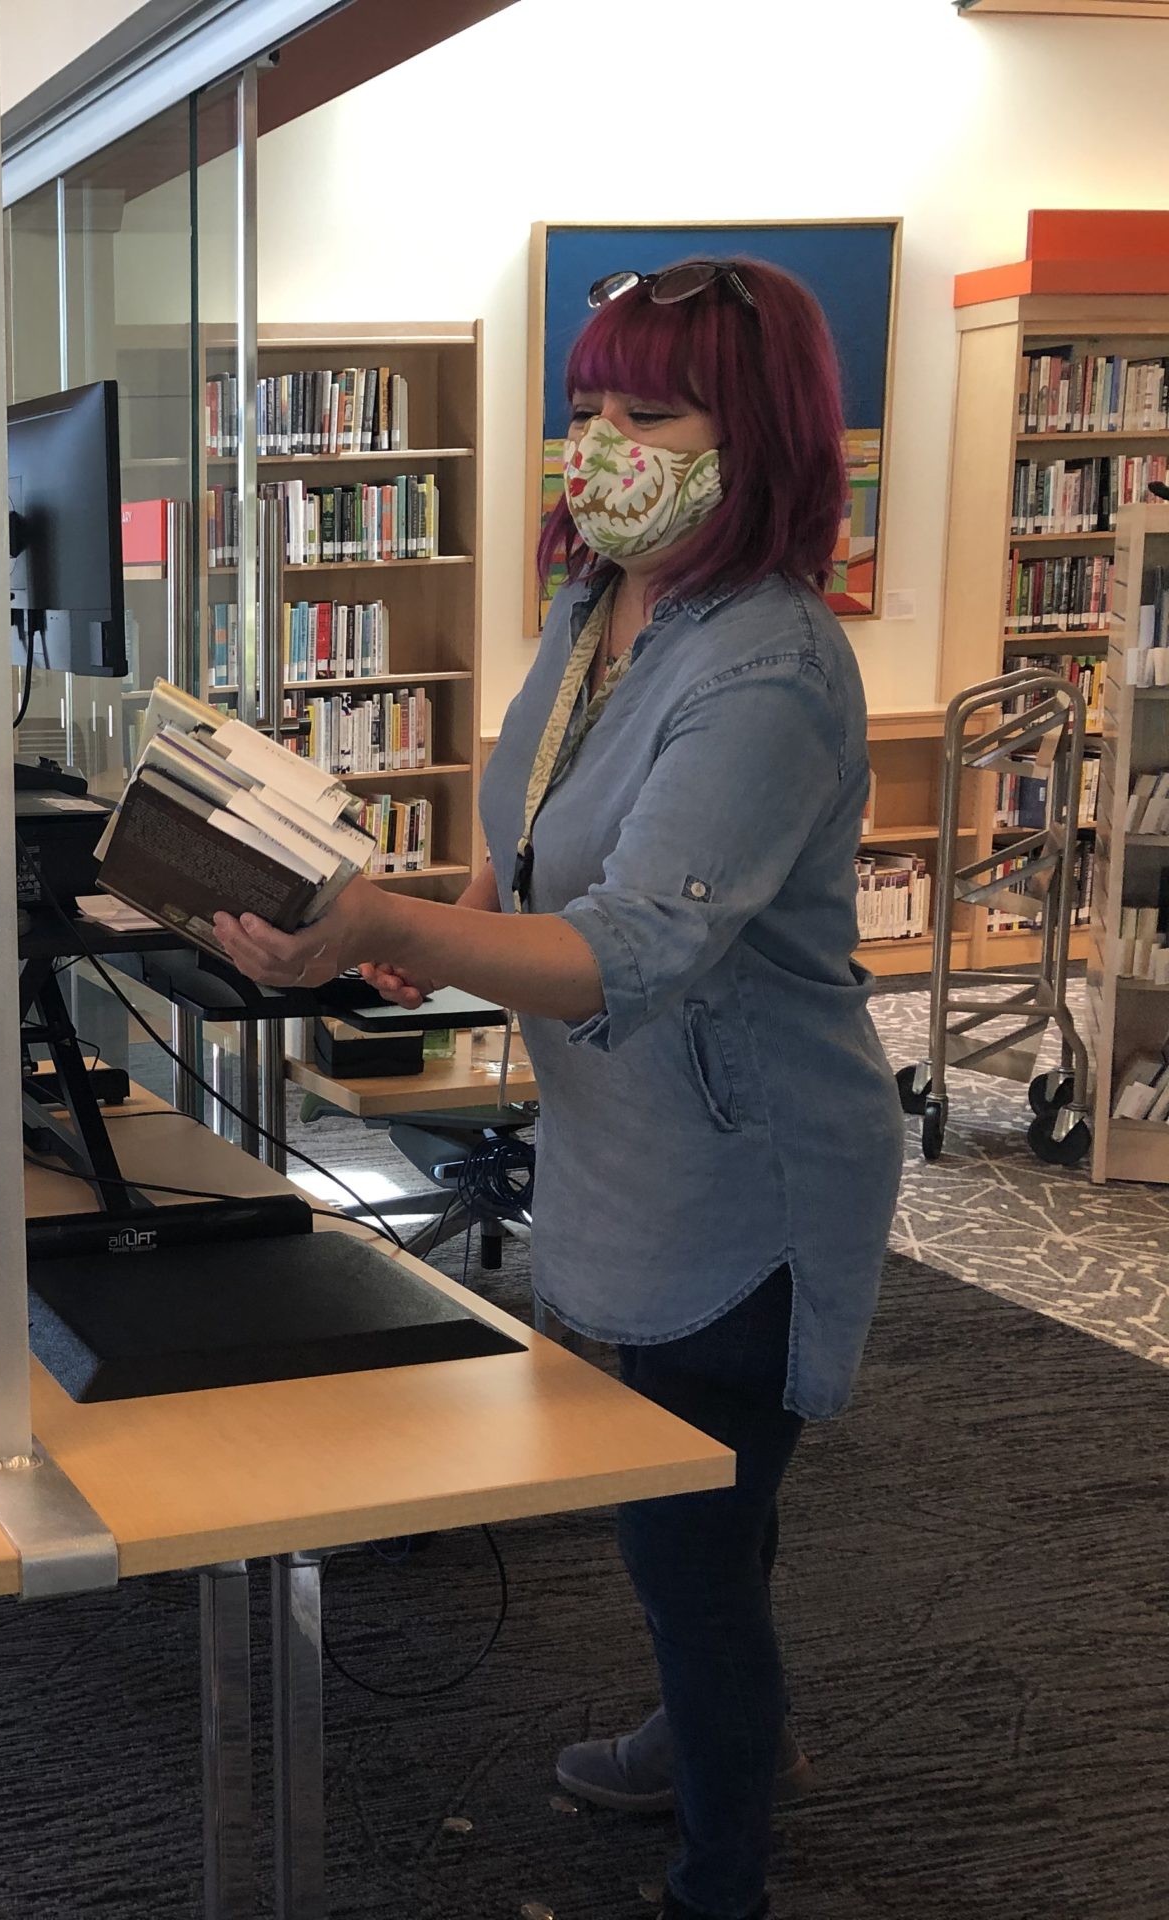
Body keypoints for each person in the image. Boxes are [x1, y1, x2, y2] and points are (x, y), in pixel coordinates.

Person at [213, 258, 902, 1920]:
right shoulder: (609, 606)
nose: (600, 443)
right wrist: (440, 923)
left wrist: (395, 925)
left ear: (753, 435)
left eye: (645, 411)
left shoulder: (775, 669)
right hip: (634, 1146)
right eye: (586, 407)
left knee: (685, 1542)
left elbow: (630, 952)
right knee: (707, 1529)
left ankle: (718, 1877)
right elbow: (535, 851)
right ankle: (724, 1735)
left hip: (748, 1176)